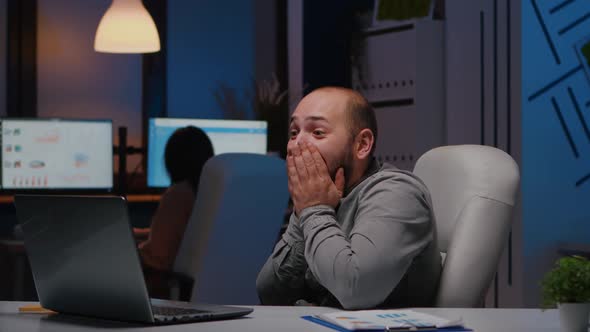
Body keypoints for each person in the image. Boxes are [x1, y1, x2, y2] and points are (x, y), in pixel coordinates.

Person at [256, 87, 441, 309]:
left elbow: (355, 290)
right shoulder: (321, 195)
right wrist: (303, 213)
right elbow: (270, 294)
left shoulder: (398, 193)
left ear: (362, 145)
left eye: (317, 132)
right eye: (294, 133)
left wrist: (314, 210)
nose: (296, 145)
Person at [136, 126, 214, 273]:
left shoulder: (178, 194)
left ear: (172, 160)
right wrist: (141, 233)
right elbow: (183, 232)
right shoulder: (208, 191)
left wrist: (131, 250)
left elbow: (159, 257)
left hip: (164, 284)